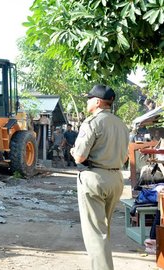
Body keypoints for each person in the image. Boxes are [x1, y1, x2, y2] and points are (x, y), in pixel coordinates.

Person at [70, 84, 129, 270]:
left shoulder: (92, 122)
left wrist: (72, 150)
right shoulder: (121, 125)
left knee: (95, 234)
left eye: (89, 99)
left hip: (95, 178)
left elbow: (80, 156)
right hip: (116, 179)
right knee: (104, 231)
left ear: (97, 102)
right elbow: (126, 156)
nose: (87, 102)